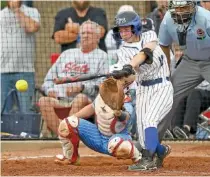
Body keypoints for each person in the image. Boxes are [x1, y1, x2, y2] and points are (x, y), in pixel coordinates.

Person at [112, 11, 173, 171]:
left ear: (136, 27)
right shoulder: (122, 51)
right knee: (142, 131)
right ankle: (161, 151)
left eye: (127, 29)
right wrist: (122, 74)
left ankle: (148, 160)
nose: (123, 33)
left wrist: (130, 65)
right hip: (143, 90)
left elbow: (145, 52)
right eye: (121, 29)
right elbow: (130, 77)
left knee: (149, 120)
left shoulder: (150, 35)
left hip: (162, 86)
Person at [39, 21, 109, 134]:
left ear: (97, 38)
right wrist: (49, 90)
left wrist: (82, 87)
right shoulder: (67, 54)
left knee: (80, 98)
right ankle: (63, 135)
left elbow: (102, 86)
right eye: (83, 33)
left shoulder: (102, 56)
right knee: (43, 101)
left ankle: (67, 133)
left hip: (86, 101)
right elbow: (48, 80)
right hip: (59, 99)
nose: (85, 35)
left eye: (89, 33)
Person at [54, 77, 142, 165]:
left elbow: (126, 117)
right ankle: (71, 158)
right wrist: (71, 118)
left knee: (122, 146)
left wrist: (119, 114)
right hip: (97, 137)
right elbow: (90, 108)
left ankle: (139, 159)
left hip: (117, 140)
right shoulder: (101, 97)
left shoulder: (125, 101)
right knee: (66, 124)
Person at [158, 0, 210, 141]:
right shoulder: (168, 19)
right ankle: (151, 149)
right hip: (190, 61)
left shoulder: (206, 18)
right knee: (167, 95)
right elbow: (164, 45)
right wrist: (166, 73)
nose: (180, 11)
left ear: (193, 6)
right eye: (177, 7)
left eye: (184, 7)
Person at [0, 0, 40, 112]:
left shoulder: (32, 11)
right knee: (2, 113)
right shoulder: (1, 15)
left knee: (26, 111)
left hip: (25, 71)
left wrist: (17, 11)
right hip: (2, 72)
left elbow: (32, 28)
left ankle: (26, 130)